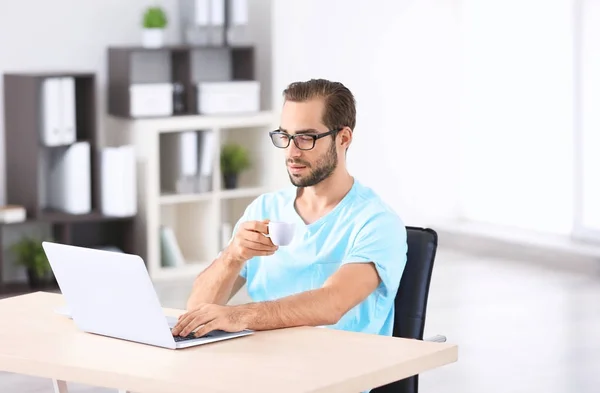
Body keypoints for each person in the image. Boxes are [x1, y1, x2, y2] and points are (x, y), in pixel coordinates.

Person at [171, 78, 407, 339]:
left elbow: (333, 303)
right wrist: (232, 257)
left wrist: (239, 315)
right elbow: (196, 310)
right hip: (265, 363)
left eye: (306, 138)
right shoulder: (265, 208)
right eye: (285, 136)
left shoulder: (376, 222)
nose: (292, 152)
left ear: (343, 138)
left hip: (341, 370)